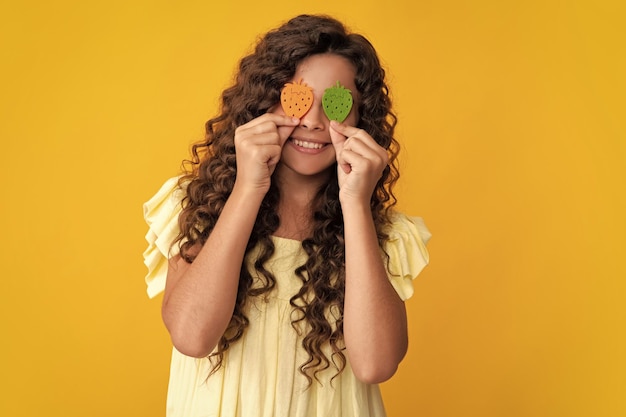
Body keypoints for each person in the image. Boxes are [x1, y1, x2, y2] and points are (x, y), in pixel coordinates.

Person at [143, 14, 431, 417]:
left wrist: (356, 205)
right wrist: (248, 187)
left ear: (359, 119)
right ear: (263, 102)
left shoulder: (385, 235)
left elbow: (375, 364)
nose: (313, 121)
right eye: (297, 98)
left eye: (335, 103)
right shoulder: (197, 206)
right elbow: (192, 336)